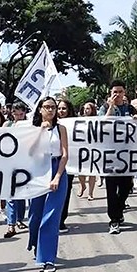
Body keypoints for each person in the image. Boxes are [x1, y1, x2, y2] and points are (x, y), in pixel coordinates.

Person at [27, 97, 69, 272]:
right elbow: (28, 152)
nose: (51, 110)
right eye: (47, 107)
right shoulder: (33, 130)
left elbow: (65, 154)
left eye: (54, 107)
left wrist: (57, 176)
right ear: (40, 110)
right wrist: (39, 133)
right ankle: (37, 244)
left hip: (56, 168)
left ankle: (47, 258)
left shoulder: (61, 129)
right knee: (35, 214)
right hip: (37, 171)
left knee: (51, 217)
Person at [99, 81, 137, 235]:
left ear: (125, 92)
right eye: (115, 91)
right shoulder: (104, 108)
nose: (118, 94)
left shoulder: (129, 108)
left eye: (120, 91)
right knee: (110, 189)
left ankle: (119, 209)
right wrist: (110, 107)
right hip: (110, 156)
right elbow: (102, 124)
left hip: (126, 156)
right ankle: (114, 220)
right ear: (110, 92)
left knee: (126, 186)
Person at [4, 101, 29, 237]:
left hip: (26, 164)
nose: (19, 116)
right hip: (10, 163)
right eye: (16, 113)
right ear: (12, 113)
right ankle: (11, 225)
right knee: (11, 194)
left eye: (21, 113)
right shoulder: (7, 125)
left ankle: (19, 219)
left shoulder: (30, 125)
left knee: (22, 195)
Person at [57, 99, 76, 232]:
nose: (61, 111)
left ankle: (61, 220)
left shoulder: (76, 124)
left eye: (64, 108)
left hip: (70, 164)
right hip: (52, 163)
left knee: (65, 192)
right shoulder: (51, 124)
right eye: (59, 108)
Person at [77, 102, 97, 200]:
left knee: (92, 172)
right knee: (81, 171)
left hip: (93, 148)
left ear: (92, 109)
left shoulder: (98, 120)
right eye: (85, 108)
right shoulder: (79, 120)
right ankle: (82, 185)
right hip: (82, 148)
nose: (86, 110)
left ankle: (90, 193)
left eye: (88, 108)